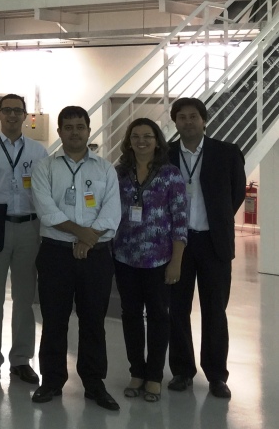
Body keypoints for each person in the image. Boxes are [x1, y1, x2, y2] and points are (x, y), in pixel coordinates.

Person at [31, 106, 121, 411]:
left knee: (93, 320)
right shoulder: (45, 167)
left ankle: (94, 383)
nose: (74, 132)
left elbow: (112, 211)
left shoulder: (105, 169)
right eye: (68, 127)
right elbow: (46, 210)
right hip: (55, 253)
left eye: (80, 127)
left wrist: (88, 239)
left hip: (95, 256)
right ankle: (51, 381)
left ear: (88, 130)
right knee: (54, 320)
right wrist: (82, 234)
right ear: (59, 132)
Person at [167, 97, 246, 399]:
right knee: (177, 309)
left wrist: (217, 219)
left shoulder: (226, 152)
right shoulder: (167, 154)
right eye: (182, 117)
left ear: (204, 120)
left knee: (215, 310)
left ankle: (216, 376)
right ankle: (182, 371)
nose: (188, 122)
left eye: (193, 117)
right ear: (175, 122)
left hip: (214, 243)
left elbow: (236, 193)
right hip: (177, 244)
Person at [113, 118, 187, 402]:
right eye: (135, 136)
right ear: (128, 141)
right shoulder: (119, 173)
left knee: (158, 317)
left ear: (157, 141)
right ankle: (137, 372)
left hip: (159, 260)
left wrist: (176, 261)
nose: (141, 141)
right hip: (125, 257)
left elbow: (180, 220)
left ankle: (154, 375)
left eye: (147, 136)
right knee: (130, 316)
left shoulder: (170, 175)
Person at [0, 93, 48, 386]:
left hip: (29, 227)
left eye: (18, 111)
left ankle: (21, 359)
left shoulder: (38, 151)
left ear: (25, 115)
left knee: (24, 298)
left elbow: (45, 191)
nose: (12, 115)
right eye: (7, 110)